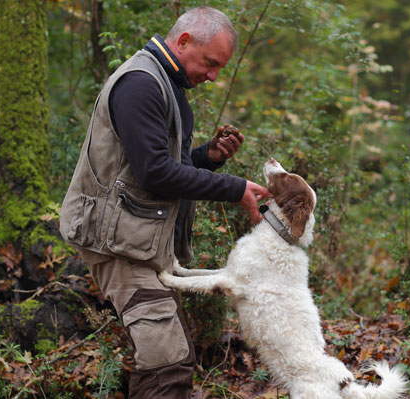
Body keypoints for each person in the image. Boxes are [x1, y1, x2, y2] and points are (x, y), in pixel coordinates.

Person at [59, 6, 270, 398]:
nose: (212, 76)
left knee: (171, 357)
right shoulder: (141, 83)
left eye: (219, 68)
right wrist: (234, 188)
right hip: (119, 246)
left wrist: (209, 158)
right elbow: (154, 173)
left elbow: (151, 166)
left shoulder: (166, 84)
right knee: (166, 364)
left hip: (136, 243)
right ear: (184, 40)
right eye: (210, 63)